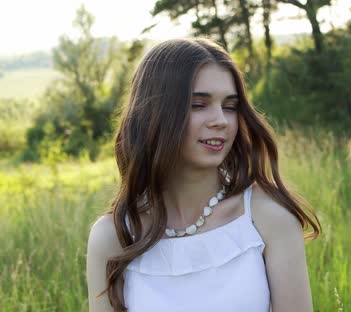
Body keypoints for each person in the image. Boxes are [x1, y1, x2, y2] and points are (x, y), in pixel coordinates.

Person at [86, 37, 321, 312]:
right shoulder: (113, 236)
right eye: (198, 104)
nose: (220, 120)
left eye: (230, 106)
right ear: (155, 114)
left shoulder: (268, 218)